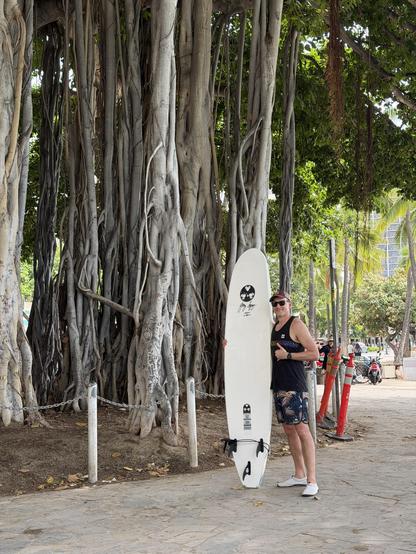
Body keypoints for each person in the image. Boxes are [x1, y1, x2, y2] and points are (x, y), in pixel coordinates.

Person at [269, 290, 320, 497]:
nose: (278, 307)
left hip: (295, 386)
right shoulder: (274, 327)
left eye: (282, 303)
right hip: (279, 385)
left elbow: (314, 353)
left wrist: (288, 354)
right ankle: (299, 474)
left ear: (289, 303)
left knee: (302, 430)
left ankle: (312, 480)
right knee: (289, 429)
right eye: (275, 304)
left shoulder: (296, 324)